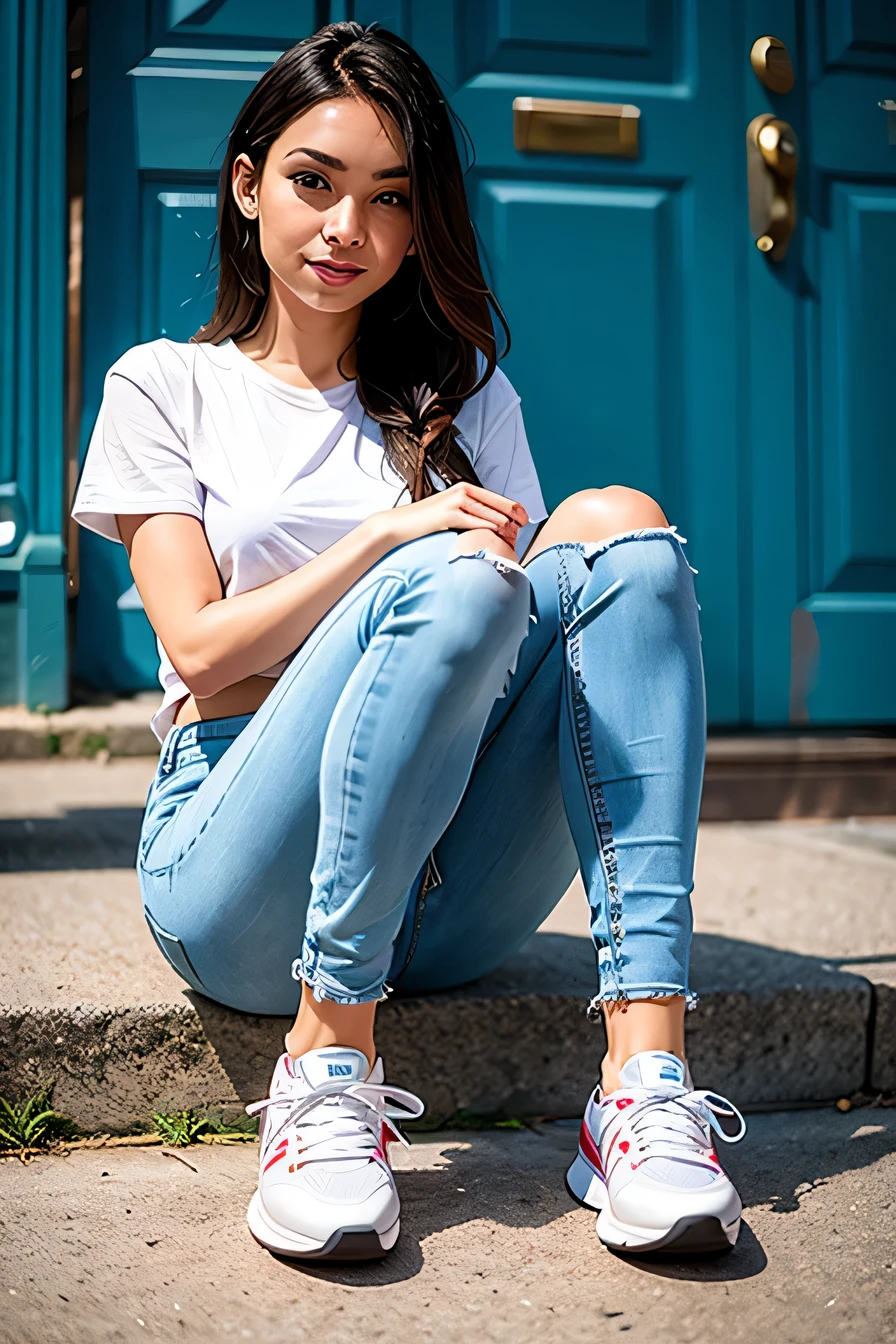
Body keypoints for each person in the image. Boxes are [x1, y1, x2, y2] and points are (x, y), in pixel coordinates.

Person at [73, 22, 746, 1263]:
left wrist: (442, 558)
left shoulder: (463, 394)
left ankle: (641, 1092)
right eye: (312, 181)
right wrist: (388, 541)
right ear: (246, 185)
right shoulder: (164, 386)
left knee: (622, 533)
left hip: (453, 894)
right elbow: (202, 648)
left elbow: (535, 632)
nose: (346, 230)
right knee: (446, 570)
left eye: (389, 200)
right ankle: (326, 1065)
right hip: (239, 872)